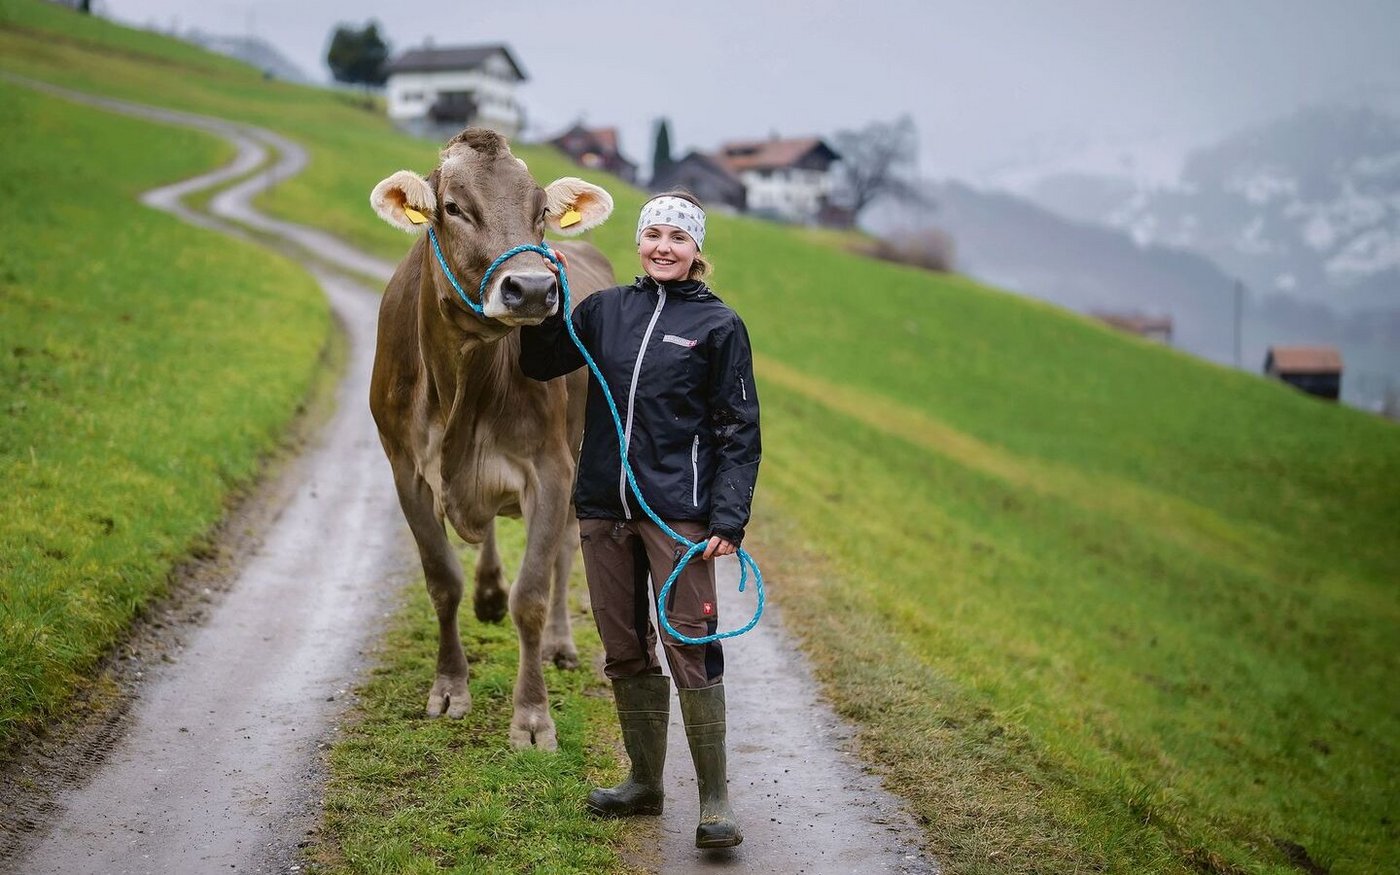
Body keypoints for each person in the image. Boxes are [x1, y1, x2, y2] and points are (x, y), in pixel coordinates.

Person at [519, 191, 760, 849]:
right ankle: (643, 784)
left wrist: (727, 520)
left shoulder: (719, 327)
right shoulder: (605, 312)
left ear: (695, 251)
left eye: (677, 238)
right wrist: (549, 293)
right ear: (639, 240)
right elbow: (539, 363)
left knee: (690, 644)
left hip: (676, 516)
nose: (663, 246)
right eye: (654, 233)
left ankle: (714, 801)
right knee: (625, 649)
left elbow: (738, 430)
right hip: (603, 508)